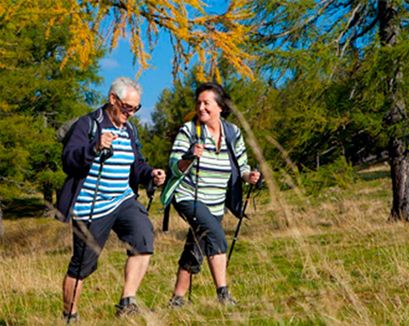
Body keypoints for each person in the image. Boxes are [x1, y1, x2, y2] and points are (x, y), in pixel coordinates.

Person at [56, 77, 166, 320]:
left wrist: (150, 173)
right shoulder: (88, 124)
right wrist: (94, 148)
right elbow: (69, 161)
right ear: (113, 100)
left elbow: (136, 164)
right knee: (82, 265)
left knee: (143, 238)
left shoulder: (129, 129)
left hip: (123, 200)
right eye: (127, 107)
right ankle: (69, 316)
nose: (132, 113)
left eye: (136, 108)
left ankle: (127, 302)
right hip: (91, 205)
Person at [166, 82, 261, 307]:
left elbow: (242, 164)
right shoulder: (189, 131)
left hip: (217, 202)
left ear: (220, 107)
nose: (201, 108)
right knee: (215, 234)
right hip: (188, 197)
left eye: (206, 103)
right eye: (198, 103)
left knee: (196, 246)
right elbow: (173, 165)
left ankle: (177, 299)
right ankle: (223, 294)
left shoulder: (232, 132)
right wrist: (189, 156)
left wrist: (250, 177)